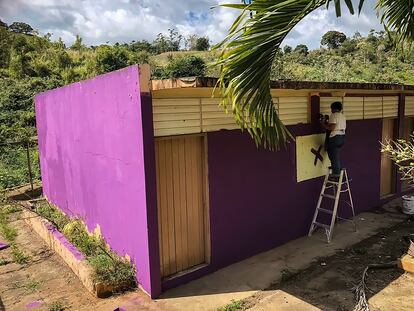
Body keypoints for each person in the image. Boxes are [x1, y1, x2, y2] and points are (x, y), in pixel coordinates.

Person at [321, 101, 346, 178]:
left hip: (335, 137)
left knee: (333, 155)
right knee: (335, 154)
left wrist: (322, 123)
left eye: (331, 108)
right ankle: (336, 168)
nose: (331, 110)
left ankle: (336, 174)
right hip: (342, 136)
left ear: (334, 108)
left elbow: (332, 127)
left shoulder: (334, 115)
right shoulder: (342, 116)